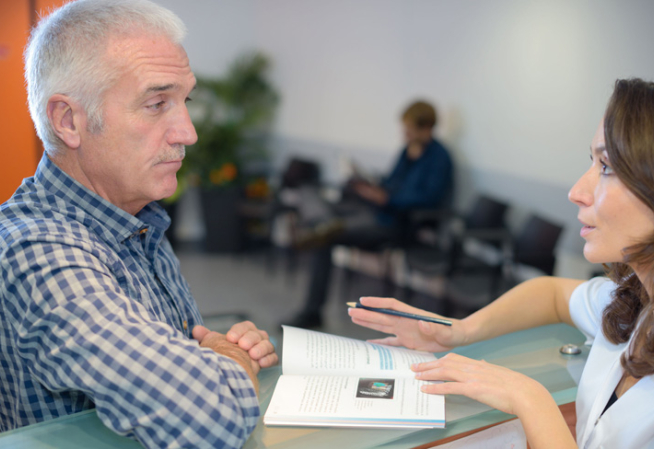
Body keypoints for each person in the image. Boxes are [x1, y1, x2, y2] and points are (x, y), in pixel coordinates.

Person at [0, 1, 277, 447]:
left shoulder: (135, 217)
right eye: (156, 104)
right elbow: (210, 418)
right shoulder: (37, 249)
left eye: (184, 101)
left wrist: (218, 358)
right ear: (69, 120)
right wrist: (227, 364)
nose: (188, 133)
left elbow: (182, 369)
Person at [349, 78, 654, 448]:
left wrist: (530, 399)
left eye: (606, 166)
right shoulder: (632, 304)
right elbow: (554, 294)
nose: (577, 192)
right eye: (591, 161)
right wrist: (459, 331)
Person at [286, 100, 453, 329]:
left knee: (324, 239)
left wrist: (388, 199)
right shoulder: (407, 152)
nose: (405, 134)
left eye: (410, 129)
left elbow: (429, 199)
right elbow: (390, 182)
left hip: (394, 223)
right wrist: (369, 184)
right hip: (373, 210)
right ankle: (324, 223)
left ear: (426, 128)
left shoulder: (440, 158)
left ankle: (312, 310)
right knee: (308, 190)